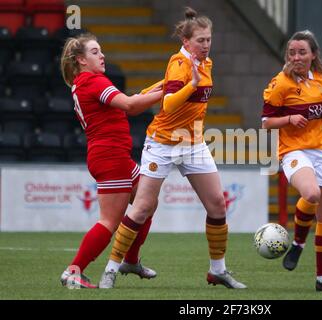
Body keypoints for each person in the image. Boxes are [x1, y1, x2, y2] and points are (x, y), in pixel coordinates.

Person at [98, 7, 246, 289]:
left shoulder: (205, 63)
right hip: (163, 143)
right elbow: (168, 104)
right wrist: (190, 86)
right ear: (186, 41)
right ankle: (111, 268)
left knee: (217, 205)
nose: (205, 45)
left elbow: (174, 91)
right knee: (141, 208)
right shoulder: (180, 64)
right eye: (200, 40)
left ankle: (218, 270)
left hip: (192, 143)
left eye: (208, 39)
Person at [59, 33, 163, 288]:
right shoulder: (92, 82)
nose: (102, 55)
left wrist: (164, 86)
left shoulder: (84, 82)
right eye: (95, 52)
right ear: (82, 60)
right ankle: (73, 271)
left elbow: (131, 101)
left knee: (147, 203)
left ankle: (130, 260)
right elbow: (130, 105)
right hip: (110, 157)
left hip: (117, 156)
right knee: (109, 222)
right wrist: (169, 92)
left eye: (101, 51)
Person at [261, 30, 322, 291]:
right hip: (292, 151)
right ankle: (300, 242)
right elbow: (266, 122)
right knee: (311, 193)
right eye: (292, 52)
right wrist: (289, 119)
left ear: (313, 55)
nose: (296, 56)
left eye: (302, 52)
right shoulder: (280, 83)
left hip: (320, 150)